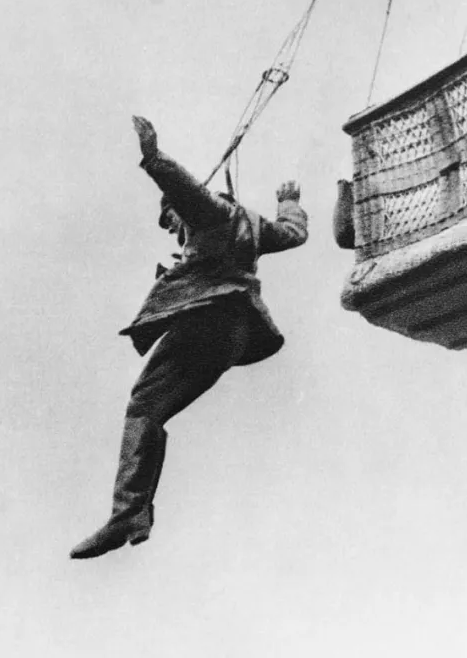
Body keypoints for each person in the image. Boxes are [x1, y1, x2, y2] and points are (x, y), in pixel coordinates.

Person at [70, 116, 309, 559]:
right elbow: (294, 234)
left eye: (171, 223)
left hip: (209, 321)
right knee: (151, 409)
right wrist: (289, 201)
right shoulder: (253, 226)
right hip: (234, 334)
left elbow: (185, 190)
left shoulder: (208, 214)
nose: (174, 233)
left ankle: (128, 512)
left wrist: (153, 157)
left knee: (143, 405)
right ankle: (133, 514)